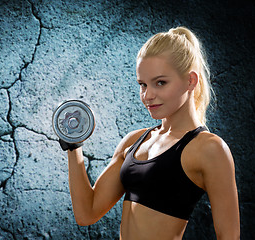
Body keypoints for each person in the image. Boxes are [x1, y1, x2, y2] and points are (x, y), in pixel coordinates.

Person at [59, 26, 240, 239]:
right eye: (142, 84)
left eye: (160, 83)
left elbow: (229, 236)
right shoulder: (134, 140)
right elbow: (87, 213)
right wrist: (74, 145)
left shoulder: (209, 148)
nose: (147, 95)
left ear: (191, 81)